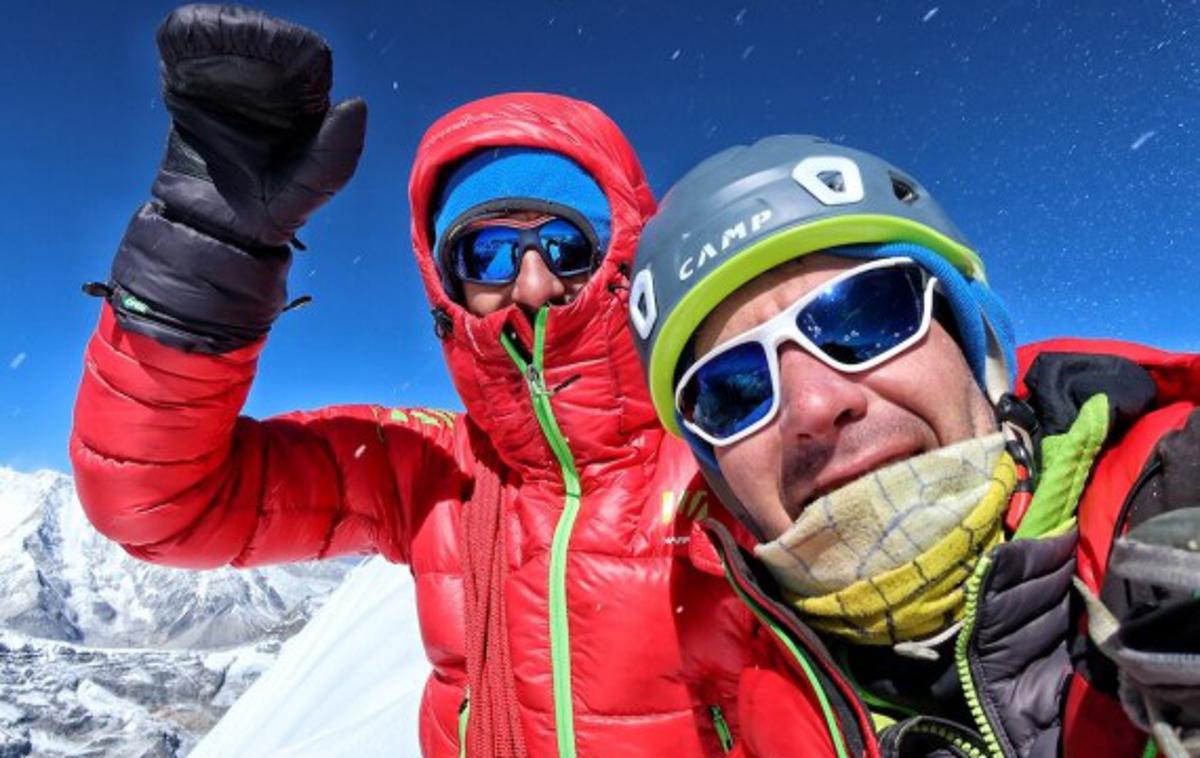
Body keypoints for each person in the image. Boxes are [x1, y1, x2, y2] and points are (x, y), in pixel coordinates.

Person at [70, 5, 755, 756]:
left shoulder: (736, 444)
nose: (533, 283)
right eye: (488, 253)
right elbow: (161, 504)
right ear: (446, 290)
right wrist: (208, 242)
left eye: (565, 244)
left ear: (623, 258)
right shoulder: (431, 475)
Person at [629, 134, 1200, 757]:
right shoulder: (744, 722)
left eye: (865, 318)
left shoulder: (1175, 488)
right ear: (724, 481)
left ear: (972, 344)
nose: (815, 406)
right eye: (730, 391)